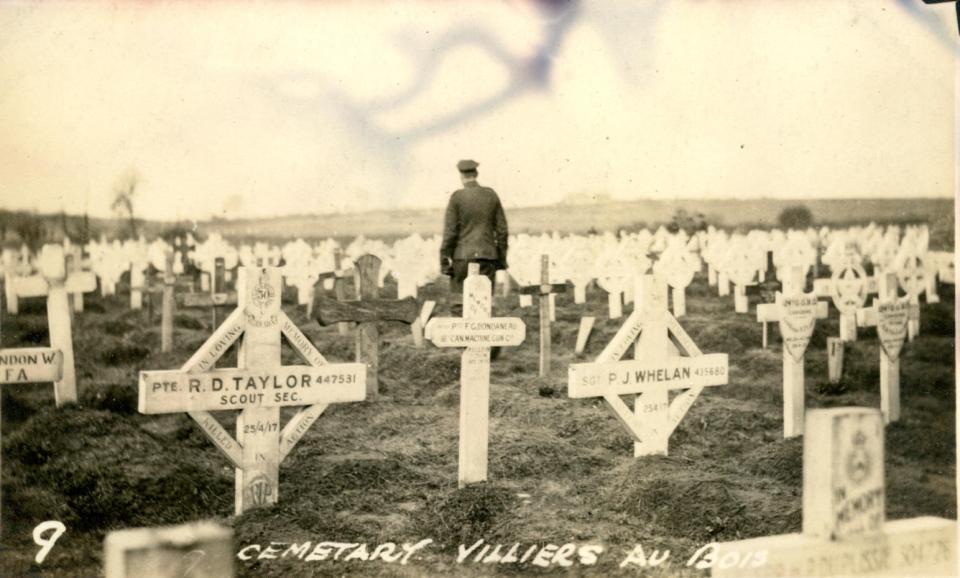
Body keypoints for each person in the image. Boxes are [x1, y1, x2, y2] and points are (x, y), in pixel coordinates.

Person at [440, 159, 509, 294]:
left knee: (460, 303)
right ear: (476, 174)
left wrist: (444, 260)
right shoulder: (491, 195)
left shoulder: (457, 197)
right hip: (487, 257)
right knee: (483, 302)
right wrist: (501, 259)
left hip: (462, 258)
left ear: (461, 177)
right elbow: (502, 230)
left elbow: (450, 232)